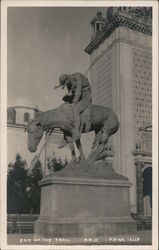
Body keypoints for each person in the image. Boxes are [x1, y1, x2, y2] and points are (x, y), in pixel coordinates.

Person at [57, 72, 92, 143]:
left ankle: (77, 132)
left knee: (76, 110)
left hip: (85, 97)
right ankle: (65, 136)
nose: (67, 85)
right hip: (78, 98)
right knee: (66, 108)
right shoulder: (69, 83)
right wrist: (67, 98)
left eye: (66, 83)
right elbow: (70, 93)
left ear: (67, 79)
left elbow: (78, 92)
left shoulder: (78, 77)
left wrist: (74, 102)